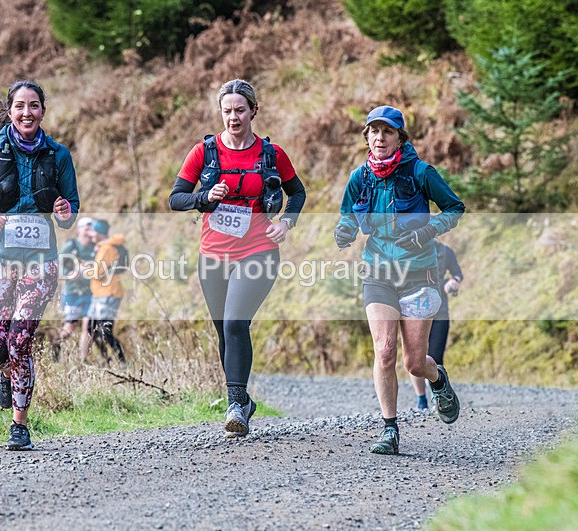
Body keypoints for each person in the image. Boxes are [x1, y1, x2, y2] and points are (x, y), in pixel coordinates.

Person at [169, 79, 306, 437]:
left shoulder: (271, 154)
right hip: (213, 254)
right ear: (221, 112)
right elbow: (176, 198)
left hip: (258, 250)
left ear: (253, 111)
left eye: (240, 110)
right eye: (227, 111)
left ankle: (234, 405)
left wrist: (286, 223)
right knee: (224, 330)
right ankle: (242, 401)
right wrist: (204, 197)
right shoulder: (204, 152)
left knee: (234, 323)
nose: (233, 117)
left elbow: (297, 192)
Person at [334, 105, 465, 455]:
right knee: (384, 350)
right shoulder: (359, 177)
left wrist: (427, 231)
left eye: (387, 131)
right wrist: (344, 231)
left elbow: (454, 208)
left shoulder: (421, 172)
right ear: (367, 137)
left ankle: (438, 379)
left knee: (414, 363)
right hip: (377, 273)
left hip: (418, 274)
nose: (379, 138)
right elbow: (347, 216)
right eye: (374, 131)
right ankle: (389, 429)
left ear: (400, 138)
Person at [0, 79, 80, 451]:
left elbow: (71, 211)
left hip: (40, 262)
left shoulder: (58, 154)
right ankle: (8, 373)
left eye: (34, 106)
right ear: (10, 111)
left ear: (43, 110)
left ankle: (20, 425)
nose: (27, 113)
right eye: (20, 106)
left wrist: (64, 211)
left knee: (20, 340)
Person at [410, 240, 463, 410]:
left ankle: (438, 395)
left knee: (436, 357)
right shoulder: (408, 250)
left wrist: (453, 282)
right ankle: (421, 399)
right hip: (414, 311)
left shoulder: (445, 251)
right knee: (414, 357)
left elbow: (457, 273)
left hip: (440, 312)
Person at [83, 219, 126, 364]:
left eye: (93, 231)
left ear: (99, 233)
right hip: (100, 293)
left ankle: (123, 363)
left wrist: (84, 271)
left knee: (105, 331)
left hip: (108, 294)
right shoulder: (103, 247)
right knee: (92, 328)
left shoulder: (106, 249)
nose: (90, 234)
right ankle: (106, 360)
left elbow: (98, 273)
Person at [52, 216, 95, 360]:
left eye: (91, 228)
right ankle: (55, 348)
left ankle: (83, 360)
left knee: (88, 327)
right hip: (72, 293)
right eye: (85, 228)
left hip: (90, 293)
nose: (88, 231)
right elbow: (58, 265)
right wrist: (70, 274)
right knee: (70, 327)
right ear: (78, 231)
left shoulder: (96, 248)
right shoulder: (72, 246)